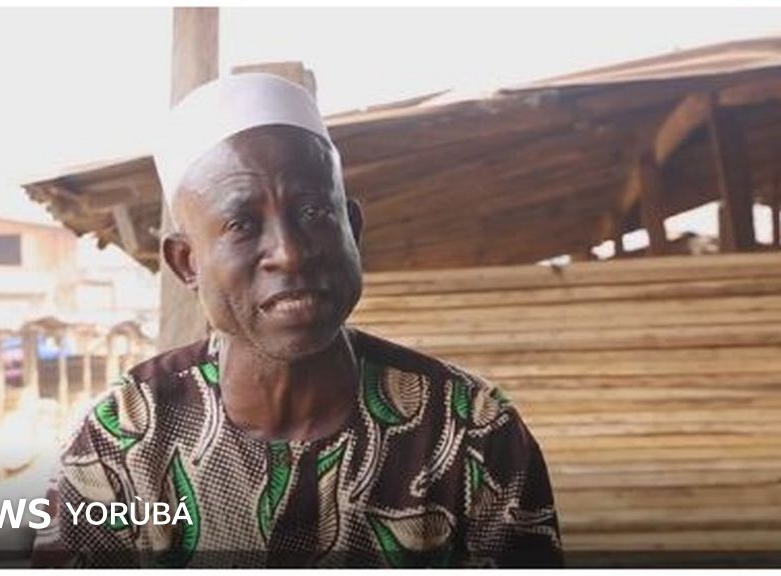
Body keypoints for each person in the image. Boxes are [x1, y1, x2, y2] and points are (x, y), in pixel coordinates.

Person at [32, 73, 563, 568]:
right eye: (242, 224)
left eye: (314, 212)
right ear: (187, 263)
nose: (289, 253)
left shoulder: (470, 430)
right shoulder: (123, 440)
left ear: (352, 229)